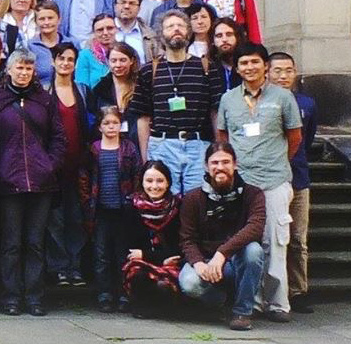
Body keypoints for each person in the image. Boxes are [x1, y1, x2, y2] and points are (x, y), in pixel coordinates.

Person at [214, 43, 301, 321]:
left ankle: (277, 304)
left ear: (265, 66)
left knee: (275, 243)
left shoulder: (283, 97)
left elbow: (294, 138)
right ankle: (252, 302)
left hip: (274, 180)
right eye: (243, 63)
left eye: (254, 62)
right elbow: (223, 137)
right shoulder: (228, 99)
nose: (249, 67)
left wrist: (275, 160)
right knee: (247, 244)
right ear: (237, 68)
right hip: (242, 185)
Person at [0, 49, 66, 316]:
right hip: (9, 181)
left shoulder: (45, 100)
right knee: (11, 243)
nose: (24, 73)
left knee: (35, 242)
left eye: (28, 68)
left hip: (41, 183)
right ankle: (11, 296)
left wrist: (50, 165)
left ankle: (34, 297)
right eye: (19, 67)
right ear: (9, 70)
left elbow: (59, 138)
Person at [133, 11, 226, 195]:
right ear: (161, 34)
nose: (176, 29)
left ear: (188, 32)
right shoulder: (149, 71)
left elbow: (215, 112)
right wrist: (146, 158)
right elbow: (143, 118)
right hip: (162, 146)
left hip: (198, 145)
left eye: (180, 26)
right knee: (165, 199)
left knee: (198, 199)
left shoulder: (207, 67)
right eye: (170, 26)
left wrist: (219, 149)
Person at [178, 143, 268, 331]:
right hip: (205, 260)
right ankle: (223, 303)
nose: (220, 167)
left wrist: (222, 254)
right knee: (189, 283)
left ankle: (242, 312)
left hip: (236, 262)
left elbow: (256, 227)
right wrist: (198, 263)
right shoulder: (193, 198)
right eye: (215, 163)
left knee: (254, 251)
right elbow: (187, 239)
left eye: (226, 162)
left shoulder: (253, 194)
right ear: (206, 166)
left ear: (235, 164)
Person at [82, 105, 142, 311]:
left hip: (123, 210)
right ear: (99, 126)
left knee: (122, 253)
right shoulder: (93, 149)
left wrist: (134, 199)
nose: (111, 127)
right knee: (101, 255)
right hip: (100, 210)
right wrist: (87, 201)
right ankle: (104, 294)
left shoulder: (129, 148)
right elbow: (84, 177)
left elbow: (137, 175)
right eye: (106, 123)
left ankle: (124, 293)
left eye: (115, 123)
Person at [270, 51, 317, 312]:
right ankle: (272, 291)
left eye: (288, 70)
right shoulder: (262, 101)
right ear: (268, 72)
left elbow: (306, 140)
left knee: (298, 238)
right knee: (273, 238)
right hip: (270, 177)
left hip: (298, 176)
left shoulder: (307, 103)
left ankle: (298, 290)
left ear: (295, 72)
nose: (283, 76)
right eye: (277, 70)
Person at [47, 42, 94, 287]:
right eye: (61, 58)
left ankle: (75, 267)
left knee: (76, 218)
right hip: (53, 168)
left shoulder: (83, 91)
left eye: (70, 59)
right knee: (55, 220)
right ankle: (58, 268)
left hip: (78, 167)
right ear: (53, 61)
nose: (65, 63)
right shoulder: (45, 91)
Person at [123, 160, 185, 319]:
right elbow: (130, 249)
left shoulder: (178, 207)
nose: (154, 186)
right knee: (138, 274)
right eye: (149, 181)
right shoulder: (131, 207)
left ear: (168, 183)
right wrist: (148, 257)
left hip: (170, 262)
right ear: (142, 182)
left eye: (160, 181)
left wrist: (146, 255)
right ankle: (142, 307)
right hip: (142, 263)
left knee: (164, 285)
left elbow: (179, 247)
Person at [91, 42, 142, 137]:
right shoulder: (100, 90)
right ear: (108, 62)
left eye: (123, 60)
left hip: (137, 140)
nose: (118, 65)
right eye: (113, 61)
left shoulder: (141, 87)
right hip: (109, 141)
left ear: (131, 60)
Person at [113, 0, 162, 64]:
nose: (126, 6)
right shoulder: (102, 31)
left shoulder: (151, 36)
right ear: (115, 6)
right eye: (122, 2)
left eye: (132, 3)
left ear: (139, 9)